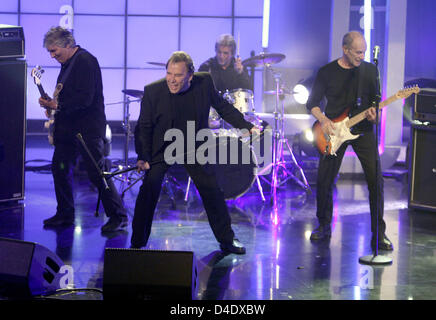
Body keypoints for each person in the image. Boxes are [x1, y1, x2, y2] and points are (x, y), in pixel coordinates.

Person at [131, 51, 259, 254]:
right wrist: (143, 157)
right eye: (169, 74)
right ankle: (137, 243)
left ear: (190, 76)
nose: (172, 80)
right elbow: (144, 127)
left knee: (212, 191)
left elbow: (223, 107)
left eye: (178, 75)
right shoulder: (153, 91)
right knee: (149, 189)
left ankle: (227, 240)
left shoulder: (204, 82)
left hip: (194, 145)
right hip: (162, 147)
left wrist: (245, 126)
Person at [306, 31, 393, 251]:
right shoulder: (326, 72)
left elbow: (377, 105)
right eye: (357, 52)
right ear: (345, 49)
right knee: (325, 180)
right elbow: (312, 103)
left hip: (362, 130)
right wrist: (324, 120)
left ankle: (379, 234)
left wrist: (376, 117)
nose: (361, 56)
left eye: (363, 51)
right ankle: (324, 226)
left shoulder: (370, 71)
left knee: (376, 180)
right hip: (334, 130)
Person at [38, 26, 127, 232]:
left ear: (68, 45)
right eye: (50, 52)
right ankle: (65, 213)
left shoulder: (86, 61)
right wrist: (53, 105)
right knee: (59, 169)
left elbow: (84, 99)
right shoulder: (69, 62)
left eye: (54, 51)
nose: (52, 56)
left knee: (97, 173)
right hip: (69, 128)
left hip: (86, 128)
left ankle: (118, 216)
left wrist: (56, 106)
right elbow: (69, 96)